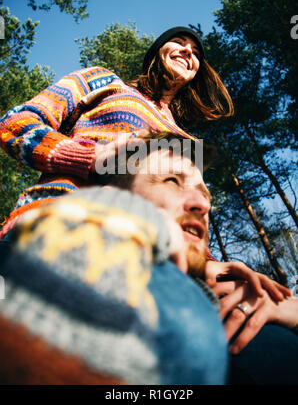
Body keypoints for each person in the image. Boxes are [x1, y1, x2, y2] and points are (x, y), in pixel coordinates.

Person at [0, 132, 296, 385]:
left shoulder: (240, 299)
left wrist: (287, 311)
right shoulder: (41, 267)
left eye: (204, 193)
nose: (203, 203)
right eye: (171, 180)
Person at [0, 26, 233, 243]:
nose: (187, 51)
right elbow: (15, 123)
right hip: (59, 223)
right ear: (156, 52)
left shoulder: (187, 141)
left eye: (195, 53)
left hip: (150, 262)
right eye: (179, 42)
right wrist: (91, 159)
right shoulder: (102, 81)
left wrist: (208, 264)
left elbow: (189, 213)